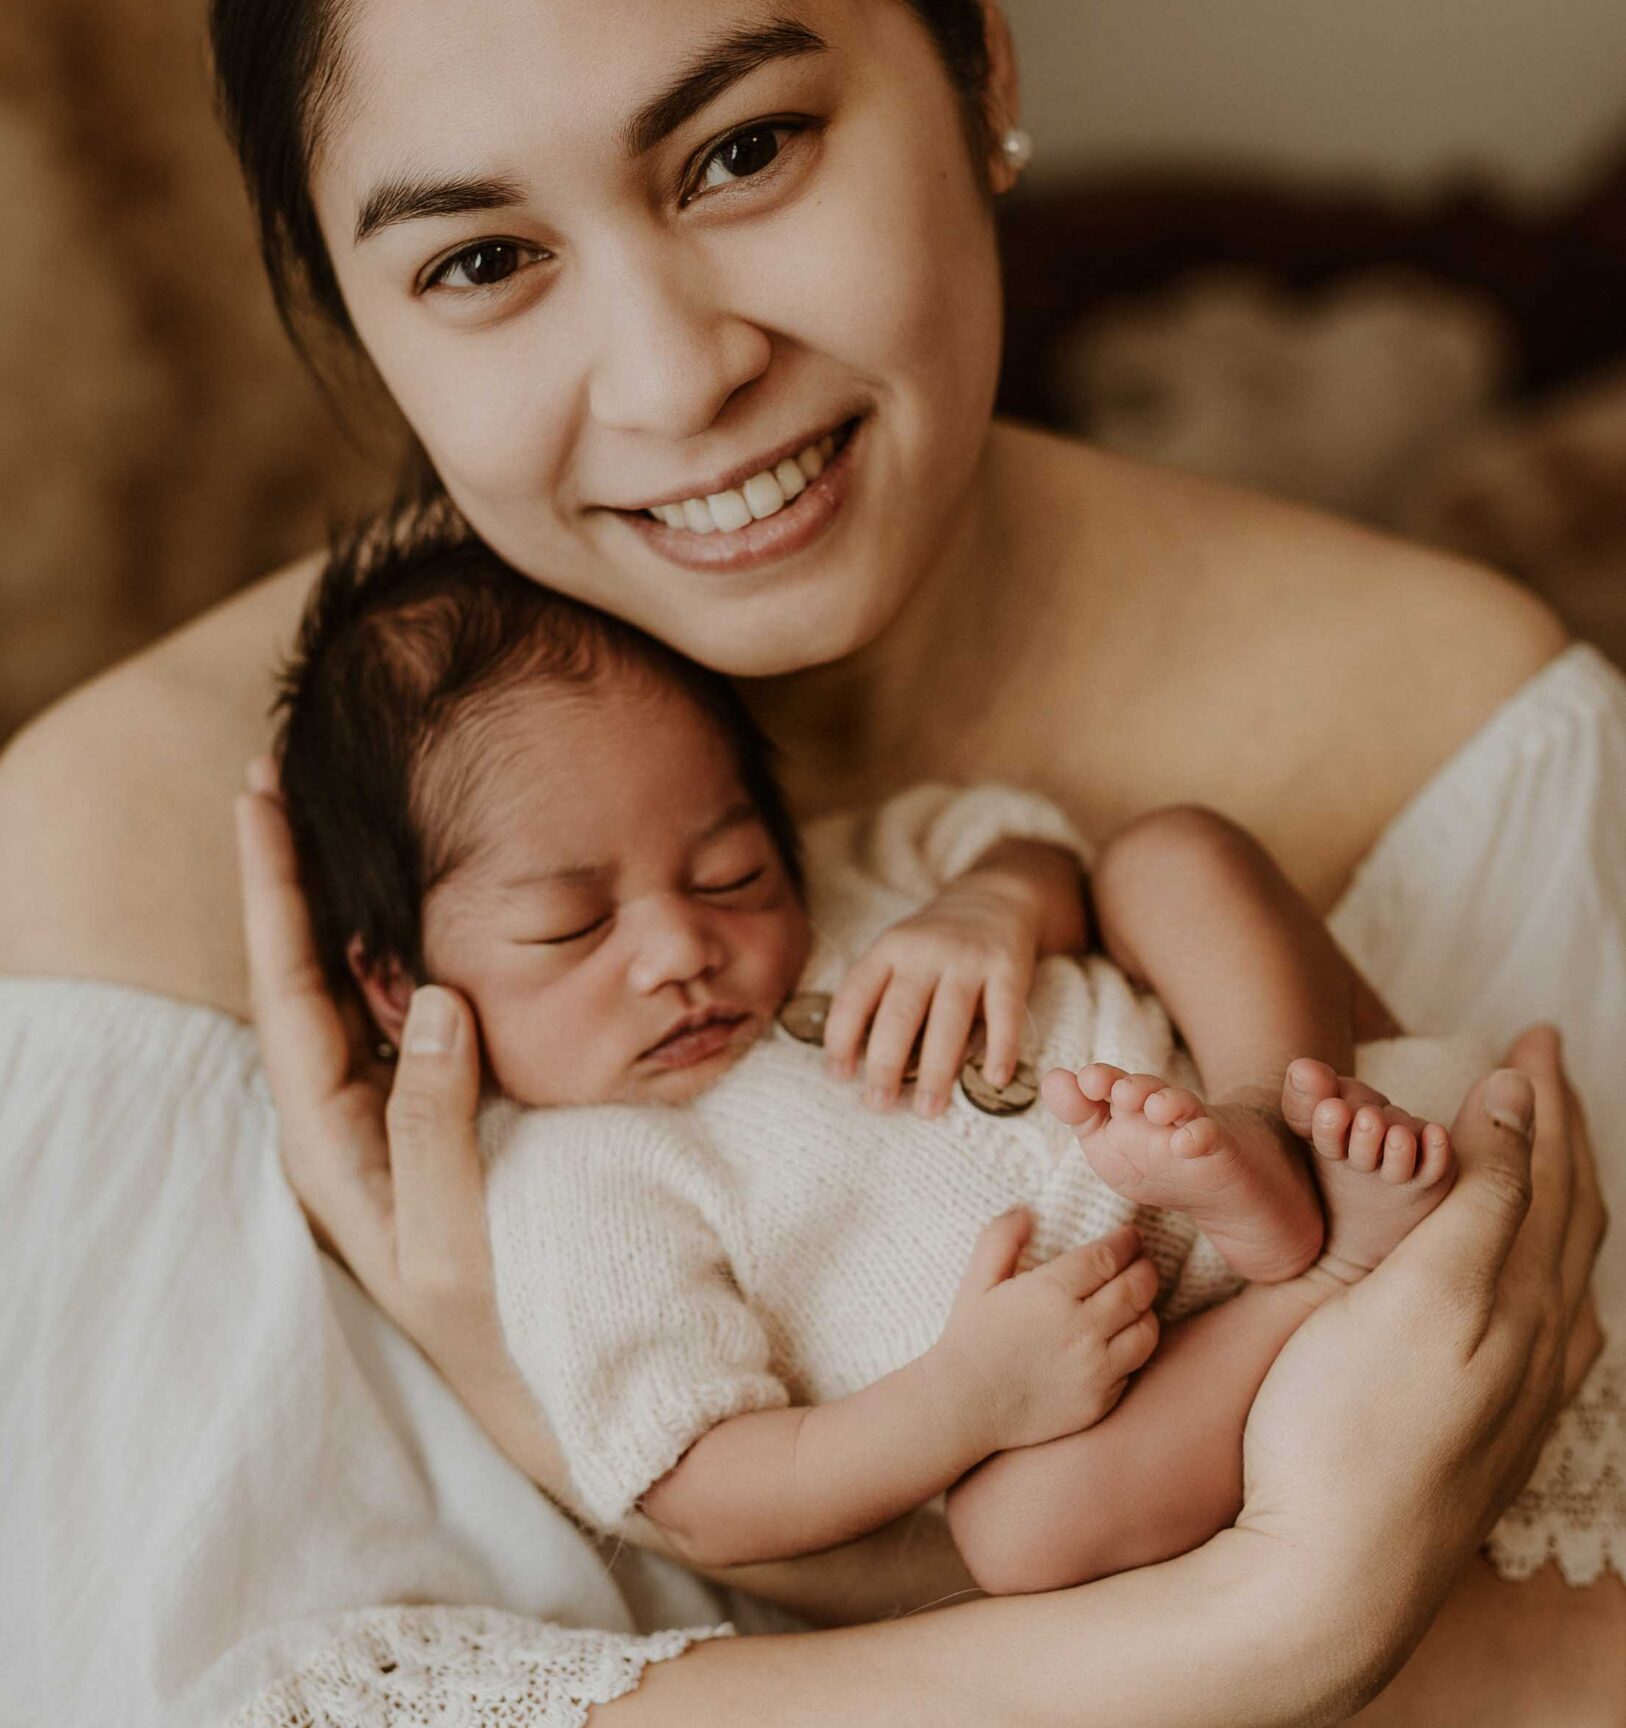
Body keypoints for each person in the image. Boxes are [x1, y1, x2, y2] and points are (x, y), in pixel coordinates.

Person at [0, 0, 1621, 1728]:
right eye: (480, 257)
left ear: (973, 48)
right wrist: (1254, 1628)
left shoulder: (1443, 719)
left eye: (741, 148)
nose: (670, 369)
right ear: (351, 314)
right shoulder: (163, 834)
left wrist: (626, 1453)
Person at [274, 505, 1494, 1598]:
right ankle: (1318, 1281)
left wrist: (996, 903)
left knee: (1167, 855)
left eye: (729, 869)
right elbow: (700, 1484)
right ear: (398, 985)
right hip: (1127, 1395)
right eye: (571, 926)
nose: (682, 946)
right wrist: (963, 1401)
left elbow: (1035, 853)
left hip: (1273, 1127)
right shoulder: (571, 1189)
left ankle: (1268, 1122)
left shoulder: (856, 877)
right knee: (1020, 1532)